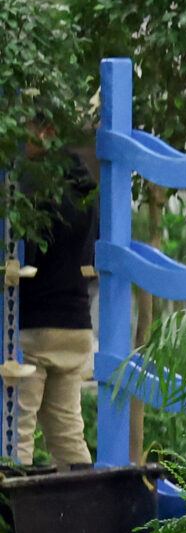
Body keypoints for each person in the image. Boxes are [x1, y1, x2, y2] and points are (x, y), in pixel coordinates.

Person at [11, 178, 96, 468]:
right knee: (68, 433)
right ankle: (84, 495)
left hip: (36, 325)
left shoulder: (36, 189)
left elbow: (26, 258)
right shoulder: (90, 195)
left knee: (17, 431)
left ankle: (10, 496)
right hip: (77, 324)